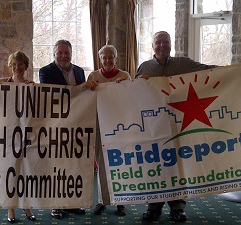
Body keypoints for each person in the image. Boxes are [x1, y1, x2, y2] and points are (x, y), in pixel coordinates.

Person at [136, 31, 217, 221]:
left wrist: (234, 70)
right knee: (156, 166)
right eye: (158, 42)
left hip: (180, 125)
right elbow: (135, 94)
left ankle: (177, 208)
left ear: (171, 45)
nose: (162, 45)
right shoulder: (145, 67)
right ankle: (153, 207)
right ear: (153, 45)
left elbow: (209, 70)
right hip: (154, 127)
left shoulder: (184, 64)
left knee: (177, 166)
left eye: (166, 42)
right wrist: (137, 83)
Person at [39, 39, 96, 219]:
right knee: (56, 166)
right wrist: (82, 87)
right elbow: (55, 94)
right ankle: (56, 204)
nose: (63, 56)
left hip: (77, 125)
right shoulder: (45, 72)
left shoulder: (79, 71)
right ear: (54, 54)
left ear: (71, 53)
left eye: (67, 52)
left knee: (73, 166)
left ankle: (71, 203)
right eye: (60, 52)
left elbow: (84, 97)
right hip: (56, 125)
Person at [88, 45, 131, 216]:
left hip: (119, 125)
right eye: (104, 57)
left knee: (120, 163)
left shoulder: (124, 76)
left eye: (110, 57)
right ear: (100, 59)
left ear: (116, 58)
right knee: (102, 164)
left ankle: (121, 201)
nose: (107, 60)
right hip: (99, 123)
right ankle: (103, 200)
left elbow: (131, 98)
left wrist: (125, 87)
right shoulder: (93, 76)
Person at [0, 51, 36, 223]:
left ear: (26, 67)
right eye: (14, 65)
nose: (17, 67)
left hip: (27, 134)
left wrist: (32, 87)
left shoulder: (31, 85)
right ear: (10, 67)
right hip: (9, 134)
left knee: (25, 170)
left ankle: (26, 205)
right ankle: (11, 208)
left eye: (20, 64)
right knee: (11, 171)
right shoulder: (3, 84)